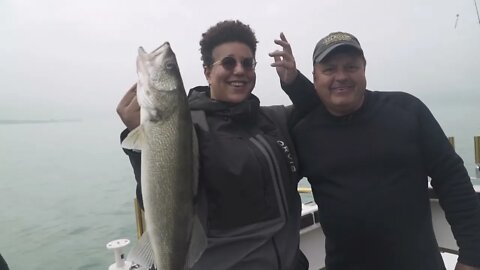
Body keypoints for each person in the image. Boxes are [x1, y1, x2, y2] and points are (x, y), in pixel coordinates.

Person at [269, 31, 480, 269]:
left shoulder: (407, 111)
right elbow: (273, 192)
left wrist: (472, 256)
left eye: (351, 67)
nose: (341, 76)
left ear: (364, 69)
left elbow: (453, 180)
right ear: (315, 77)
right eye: (329, 69)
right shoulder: (303, 131)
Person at [117, 20, 312, 270]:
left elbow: (321, 117)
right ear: (207, 72)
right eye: (228, 63)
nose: (239, 70)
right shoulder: (189, 129)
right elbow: (164, 202)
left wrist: (295, 83)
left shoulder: (277, 119)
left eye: (247, 63)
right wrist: (140, 142)